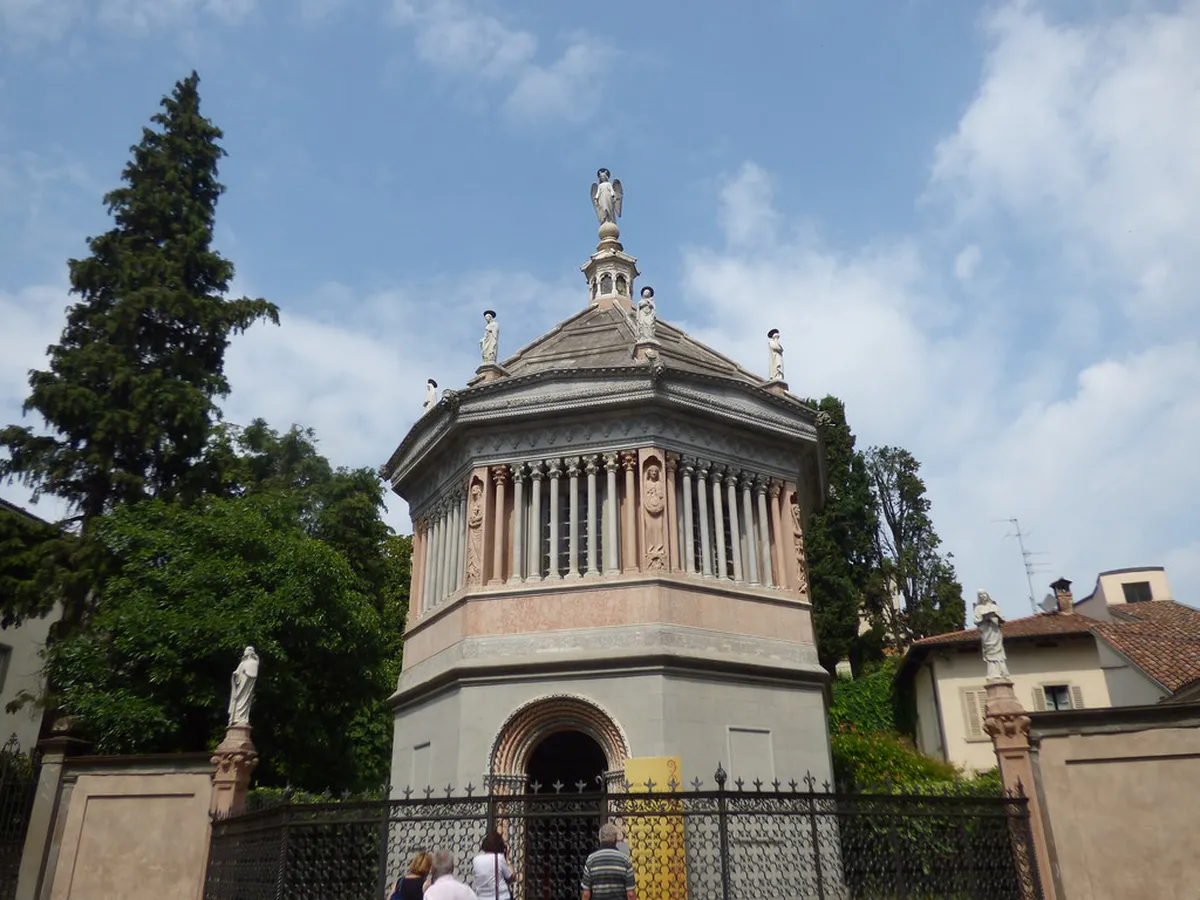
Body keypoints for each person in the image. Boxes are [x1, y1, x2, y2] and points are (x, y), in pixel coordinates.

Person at [581, 822, 636, 900]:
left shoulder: (591, 859)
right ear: (616, 839)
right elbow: (630, 894)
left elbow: (586, 894)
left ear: (600, 838)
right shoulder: (625, 860)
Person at [472, 830, 515, 900]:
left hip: (481, 897)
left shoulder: (476, 860)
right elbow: (511, 877)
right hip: (501, 897)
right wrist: (507, 858)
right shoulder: (499, 858)